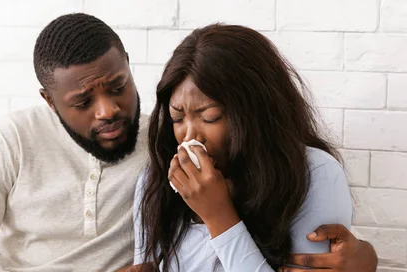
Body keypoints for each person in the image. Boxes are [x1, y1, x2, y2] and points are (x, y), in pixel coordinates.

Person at [0, 13, 377, 272]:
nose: (108, 111)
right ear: (50, 101)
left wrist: (368, 261)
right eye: (83, 101)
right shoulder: (10, 142)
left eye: (118, 86)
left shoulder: (158, 150)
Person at [131, 23, 362, 271]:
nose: (189, 137)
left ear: (254, 113)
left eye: (210, 117)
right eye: (177, 118)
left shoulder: (315, 174)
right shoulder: (156, 179)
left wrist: (218, 215)